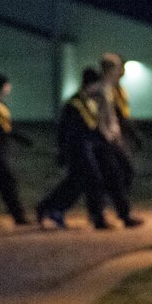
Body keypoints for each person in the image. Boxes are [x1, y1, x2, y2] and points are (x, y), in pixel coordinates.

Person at [37, 67, 114, 229]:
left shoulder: (87, 101)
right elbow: (69, 131)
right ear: (92, 84)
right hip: (78, 149)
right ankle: (97, 218)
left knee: (76, 183)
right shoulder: (75, 104)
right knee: (93, 180)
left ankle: (48, 208)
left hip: (85, 148)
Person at [95, 52, 142, 228]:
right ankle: (118, 213)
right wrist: (107, 134)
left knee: (120, 173)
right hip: (105, 138)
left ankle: (115, 211)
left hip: (113, 137)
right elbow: (100, 116)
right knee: (115, 174)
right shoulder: (101, 89)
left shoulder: (111, 89)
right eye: (117, 67)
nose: (120, 71)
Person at [0, 73, 31, 226]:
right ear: (3, 86)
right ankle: (18, 216)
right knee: (7, 181)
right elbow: (0, 127)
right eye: (8, 86)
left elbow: (5, 127)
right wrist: (16, 137)